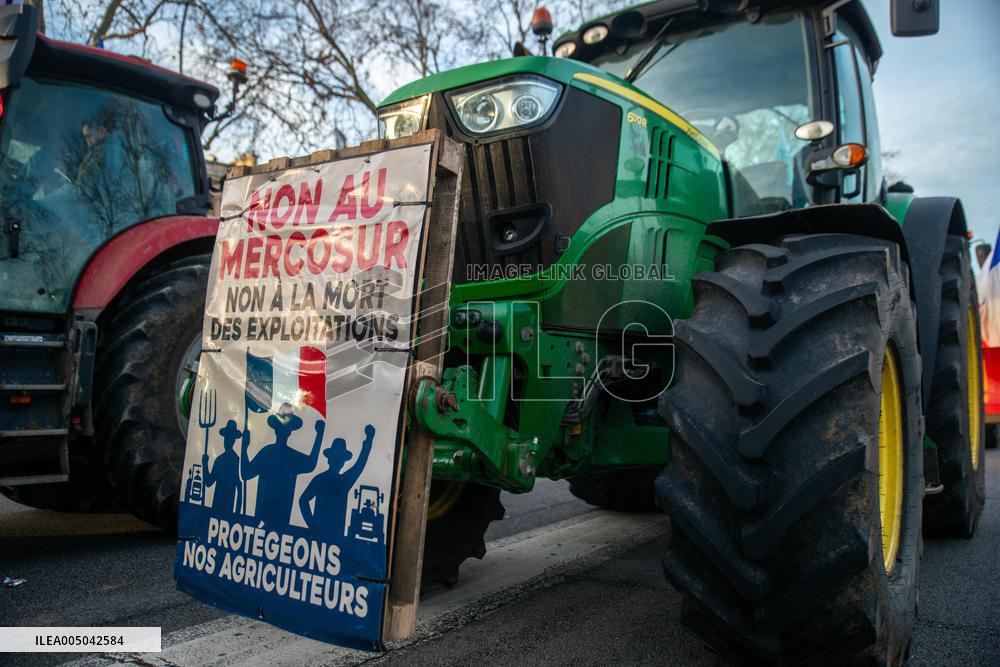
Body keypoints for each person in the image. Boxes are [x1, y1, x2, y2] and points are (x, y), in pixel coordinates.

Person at [241, 403, 325, 528]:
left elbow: (310, 464)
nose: (283, 429)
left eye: (285, 427)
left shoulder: (275, 454)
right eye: (282, 426)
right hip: (263, 520)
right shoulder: (269, 453)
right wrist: (244, 448)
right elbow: (246, 474)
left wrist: (319, 436)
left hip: (279, 521)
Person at [298, 424, 376, 534]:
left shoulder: (337, 480)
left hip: (333, 534)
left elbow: (359, 466)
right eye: (337, 458)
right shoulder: (333, 480)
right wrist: (312, 524)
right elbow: (303, 500)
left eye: (340, 459)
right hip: (327, 534)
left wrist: (369, 440)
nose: (339, 461)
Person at [202, 419, 245, 514]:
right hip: (216, 507)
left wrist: (237, 513)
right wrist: (205, 464)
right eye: (226, 437)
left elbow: (239, 485)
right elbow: (208, 482)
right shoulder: (219, 460)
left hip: (227, 510)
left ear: (233, 440)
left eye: (230, 437)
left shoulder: (236, 460)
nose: (227, 440)